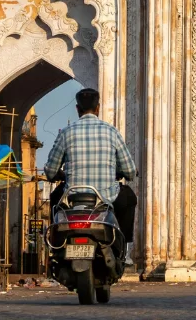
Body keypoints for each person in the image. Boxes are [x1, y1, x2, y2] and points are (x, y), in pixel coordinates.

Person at [45, 88, 137, 264]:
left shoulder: (66, 132)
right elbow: (130, 170)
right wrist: (126, 173)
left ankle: (56, 246)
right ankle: (125, 250)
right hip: (106, 197)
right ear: (98, 108)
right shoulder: (111, 132)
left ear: (78, 109)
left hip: (72, 196)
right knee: (129, 198)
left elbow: (50, 171)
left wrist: (59, 174)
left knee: (55, 198)